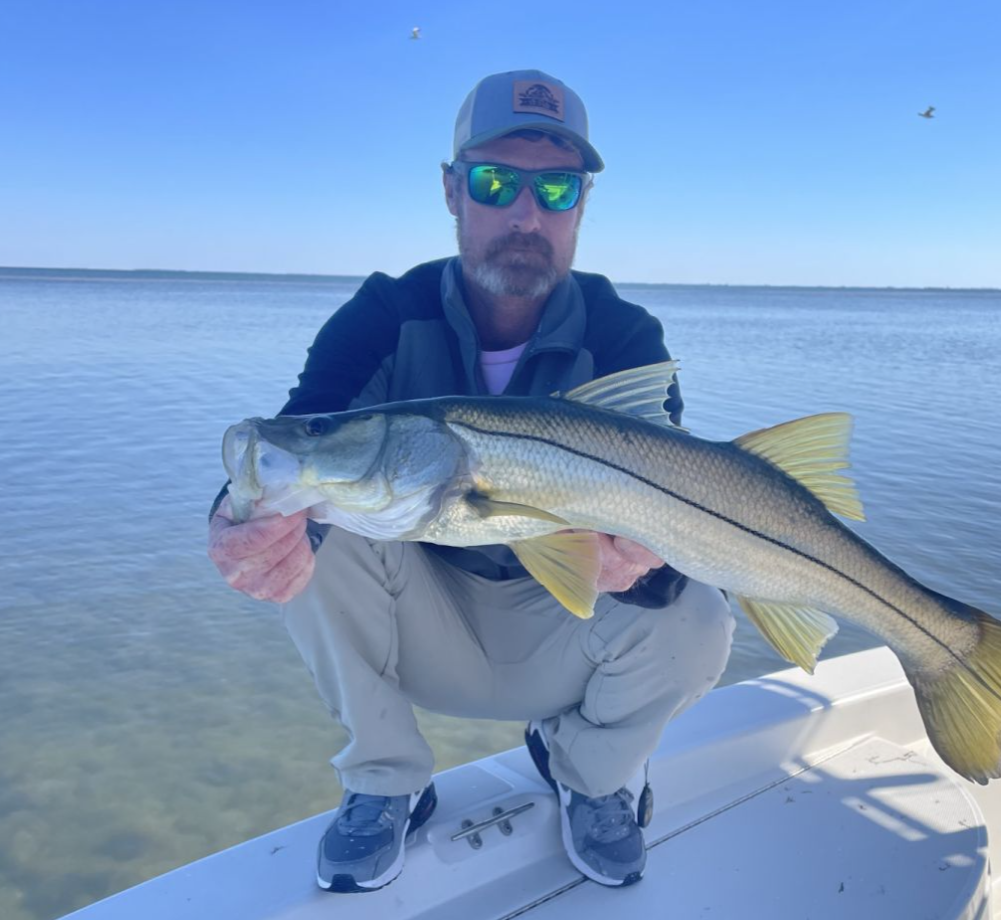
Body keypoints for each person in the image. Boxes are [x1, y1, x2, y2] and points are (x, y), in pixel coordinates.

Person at [207, 69, 735, 894]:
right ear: (453, 192)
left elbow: (672, 530)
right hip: (427, 619)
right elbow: (304, 430)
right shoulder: (385, 314)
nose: (527, 214)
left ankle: (591, 774)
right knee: (314, 522)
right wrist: (241, 520)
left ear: (582, 206)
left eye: (556, 187)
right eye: (495, 181)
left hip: (565, 626)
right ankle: (387, 782)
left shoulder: (625, 335)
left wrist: (650, 563)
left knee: (701, 611)